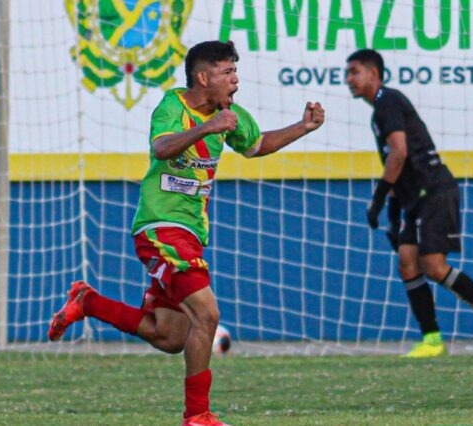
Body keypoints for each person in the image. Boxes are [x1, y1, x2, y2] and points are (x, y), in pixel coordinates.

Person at [49, 40, 325, 426]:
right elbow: (161, 147)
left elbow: (258, 144)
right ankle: (198, 416)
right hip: (160, 227)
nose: (236, 80)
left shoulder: (231, 115)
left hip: (191, 233)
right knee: (208, 314)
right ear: (203, 77)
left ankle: (87, 301)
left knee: (170, 337)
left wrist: (304, 127)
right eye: (227, 72)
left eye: (235, 71)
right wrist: (209, 127)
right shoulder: (173, 105)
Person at [345, 49, 473, 358]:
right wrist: (394, 216)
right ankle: (433, 340)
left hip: (434, 190)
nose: (348, 79)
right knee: (407, 261)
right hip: (415, 197)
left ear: (373, 73)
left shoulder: (388, 101)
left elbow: (400, 153)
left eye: (354, 72)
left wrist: (378, 200)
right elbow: (395, 163)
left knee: (433, 265)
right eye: (347, 74)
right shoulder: (378, 111)